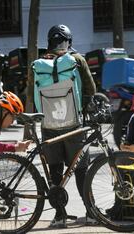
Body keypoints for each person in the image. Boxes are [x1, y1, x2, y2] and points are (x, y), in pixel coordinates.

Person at [40, 24, 96, 228]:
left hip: (48, 123)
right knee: (82, 169)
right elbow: (91, 88)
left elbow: (31, 93)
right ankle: (91, 213)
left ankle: (59, 216)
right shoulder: (77, 60)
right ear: (69, 41)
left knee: (54, 170)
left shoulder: (40, 63)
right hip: (73, 123)